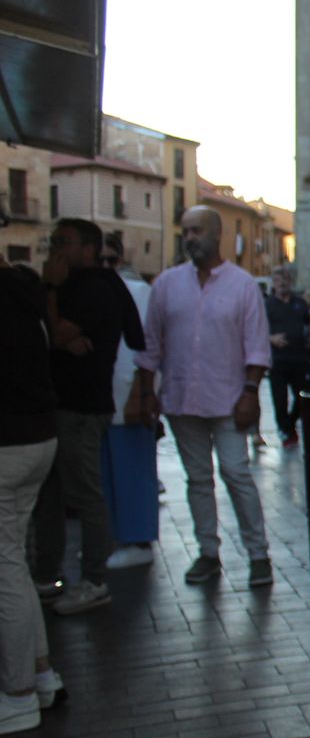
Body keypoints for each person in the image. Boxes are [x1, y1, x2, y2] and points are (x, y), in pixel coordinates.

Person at [129, 206, 274, 588]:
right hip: (181, 399)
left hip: (229, 399)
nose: (189, 237)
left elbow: (256, 347)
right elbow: (150, 346)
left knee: (236, 473)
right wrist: (145, 393)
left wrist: (250, 393)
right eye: (185, 231)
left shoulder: (242, 285)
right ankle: (208, 553)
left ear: (216, 234)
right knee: (197, 479)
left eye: (196, 231)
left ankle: (259, 555)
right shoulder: (166, 285)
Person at [30, 218, 145, 615]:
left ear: (88, 249)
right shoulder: (82, 286)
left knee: (82, 494)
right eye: (54, 240)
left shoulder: (93, 288)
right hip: (65, 405)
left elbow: (53, 333)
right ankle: (47, 575)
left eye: (64, 242)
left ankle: (94, 580)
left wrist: (48, 291)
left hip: (81, 407)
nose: (55, 248)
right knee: (52, 495)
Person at [1, 255, 67, 734]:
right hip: (38, 438)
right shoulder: (24, 291)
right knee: (12, 562)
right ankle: (41, 674)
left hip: (7, 443)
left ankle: (19, 692)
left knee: (4, 568)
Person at [100, 233, 160, 570]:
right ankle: (116, 538)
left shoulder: (139, 292)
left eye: (111, 259)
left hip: (129, 395)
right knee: (106, 472)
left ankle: (138, 539)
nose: (106, 266)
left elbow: (150, 348)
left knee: (133, 469)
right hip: (100, 397)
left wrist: (145, 391)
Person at [264, 263, 310, 447]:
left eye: (285, 280)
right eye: (278, 280)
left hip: (299, 357)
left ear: (290, 281)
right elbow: (257, 330)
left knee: (303, 395)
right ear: (273, 283)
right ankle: (286, 431)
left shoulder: (299, 303)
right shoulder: (267, 304)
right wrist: (271, 338)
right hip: (277, 359)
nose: (282, 283)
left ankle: (290, 424)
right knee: (279, 399)